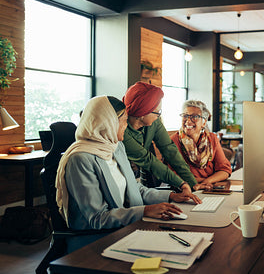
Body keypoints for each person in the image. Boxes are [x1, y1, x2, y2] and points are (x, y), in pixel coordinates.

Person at [55, 96, 186, 252]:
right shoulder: (81, 159)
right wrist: (145, 211)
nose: (126, 126)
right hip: (96, 240)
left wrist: (171, 196)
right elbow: (97, 218)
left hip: (127, 228)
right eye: (123, 121)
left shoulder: (116, 147)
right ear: (107, 123)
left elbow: (134, 187)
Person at [122, 82, 205, 203]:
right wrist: (181, 184)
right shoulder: (122, 130)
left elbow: (170, 151)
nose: (159, 116)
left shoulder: (154, 122)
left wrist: (193, 185)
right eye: (157, 112)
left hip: (138, 182)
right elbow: (148, 160)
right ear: (142, 113)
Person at [171, 100, 232, 189]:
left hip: (209, 187)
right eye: (185, 116)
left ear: (204, 122)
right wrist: (199, 184)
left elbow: (225, 170)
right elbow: (173, 175)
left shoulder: (212, 138)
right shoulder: (174, 140)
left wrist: (206, 182)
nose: (188, 121)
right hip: (184, 189)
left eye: (194, 117)